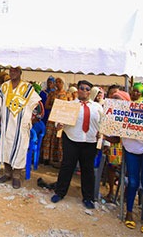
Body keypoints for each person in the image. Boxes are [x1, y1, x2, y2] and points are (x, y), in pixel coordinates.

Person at [104, 87, 143, 234]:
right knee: (133, 182)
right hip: (131, 151)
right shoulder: (116, 116)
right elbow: (116, 138)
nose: (117, 103)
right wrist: (103, 135)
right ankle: (129, 212)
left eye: (119, 100)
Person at [51, 80, 103, 209]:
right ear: (78, 90)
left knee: (87, 170)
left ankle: (88, 197)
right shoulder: (69, 105)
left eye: (87, 89)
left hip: (90, 141)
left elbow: (103, 124)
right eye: (81, 88)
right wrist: (59, 125)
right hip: (71, 139)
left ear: (90, 92)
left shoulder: (97, 107)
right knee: (67, 167)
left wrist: (102, 136)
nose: (84, 91)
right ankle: (60, 192)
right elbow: (58, 122)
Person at [0, 66, 41, 189]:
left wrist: (34, 118)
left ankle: (16, 176)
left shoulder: (27, 87)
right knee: (6, 147)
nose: (12, 72)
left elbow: (37, 103)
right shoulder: (4, 86)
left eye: (15, 70)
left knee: (20, 149)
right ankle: (7, 173)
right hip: (6, 124)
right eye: (11, 70)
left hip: (21, 126)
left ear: (21, 72)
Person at [42, 76, 71, 167]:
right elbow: (46, 106)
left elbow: (71, 107)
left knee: (59, 138)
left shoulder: (67, 94)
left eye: (59, 82)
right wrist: (55, 106)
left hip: (61, 118)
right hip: (52, 117)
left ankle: (58, 159)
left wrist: (62, 108)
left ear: (63, 83)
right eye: (56, 82)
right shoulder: (52, 94)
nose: (57, 84)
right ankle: (47, 158)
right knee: (49, 136)